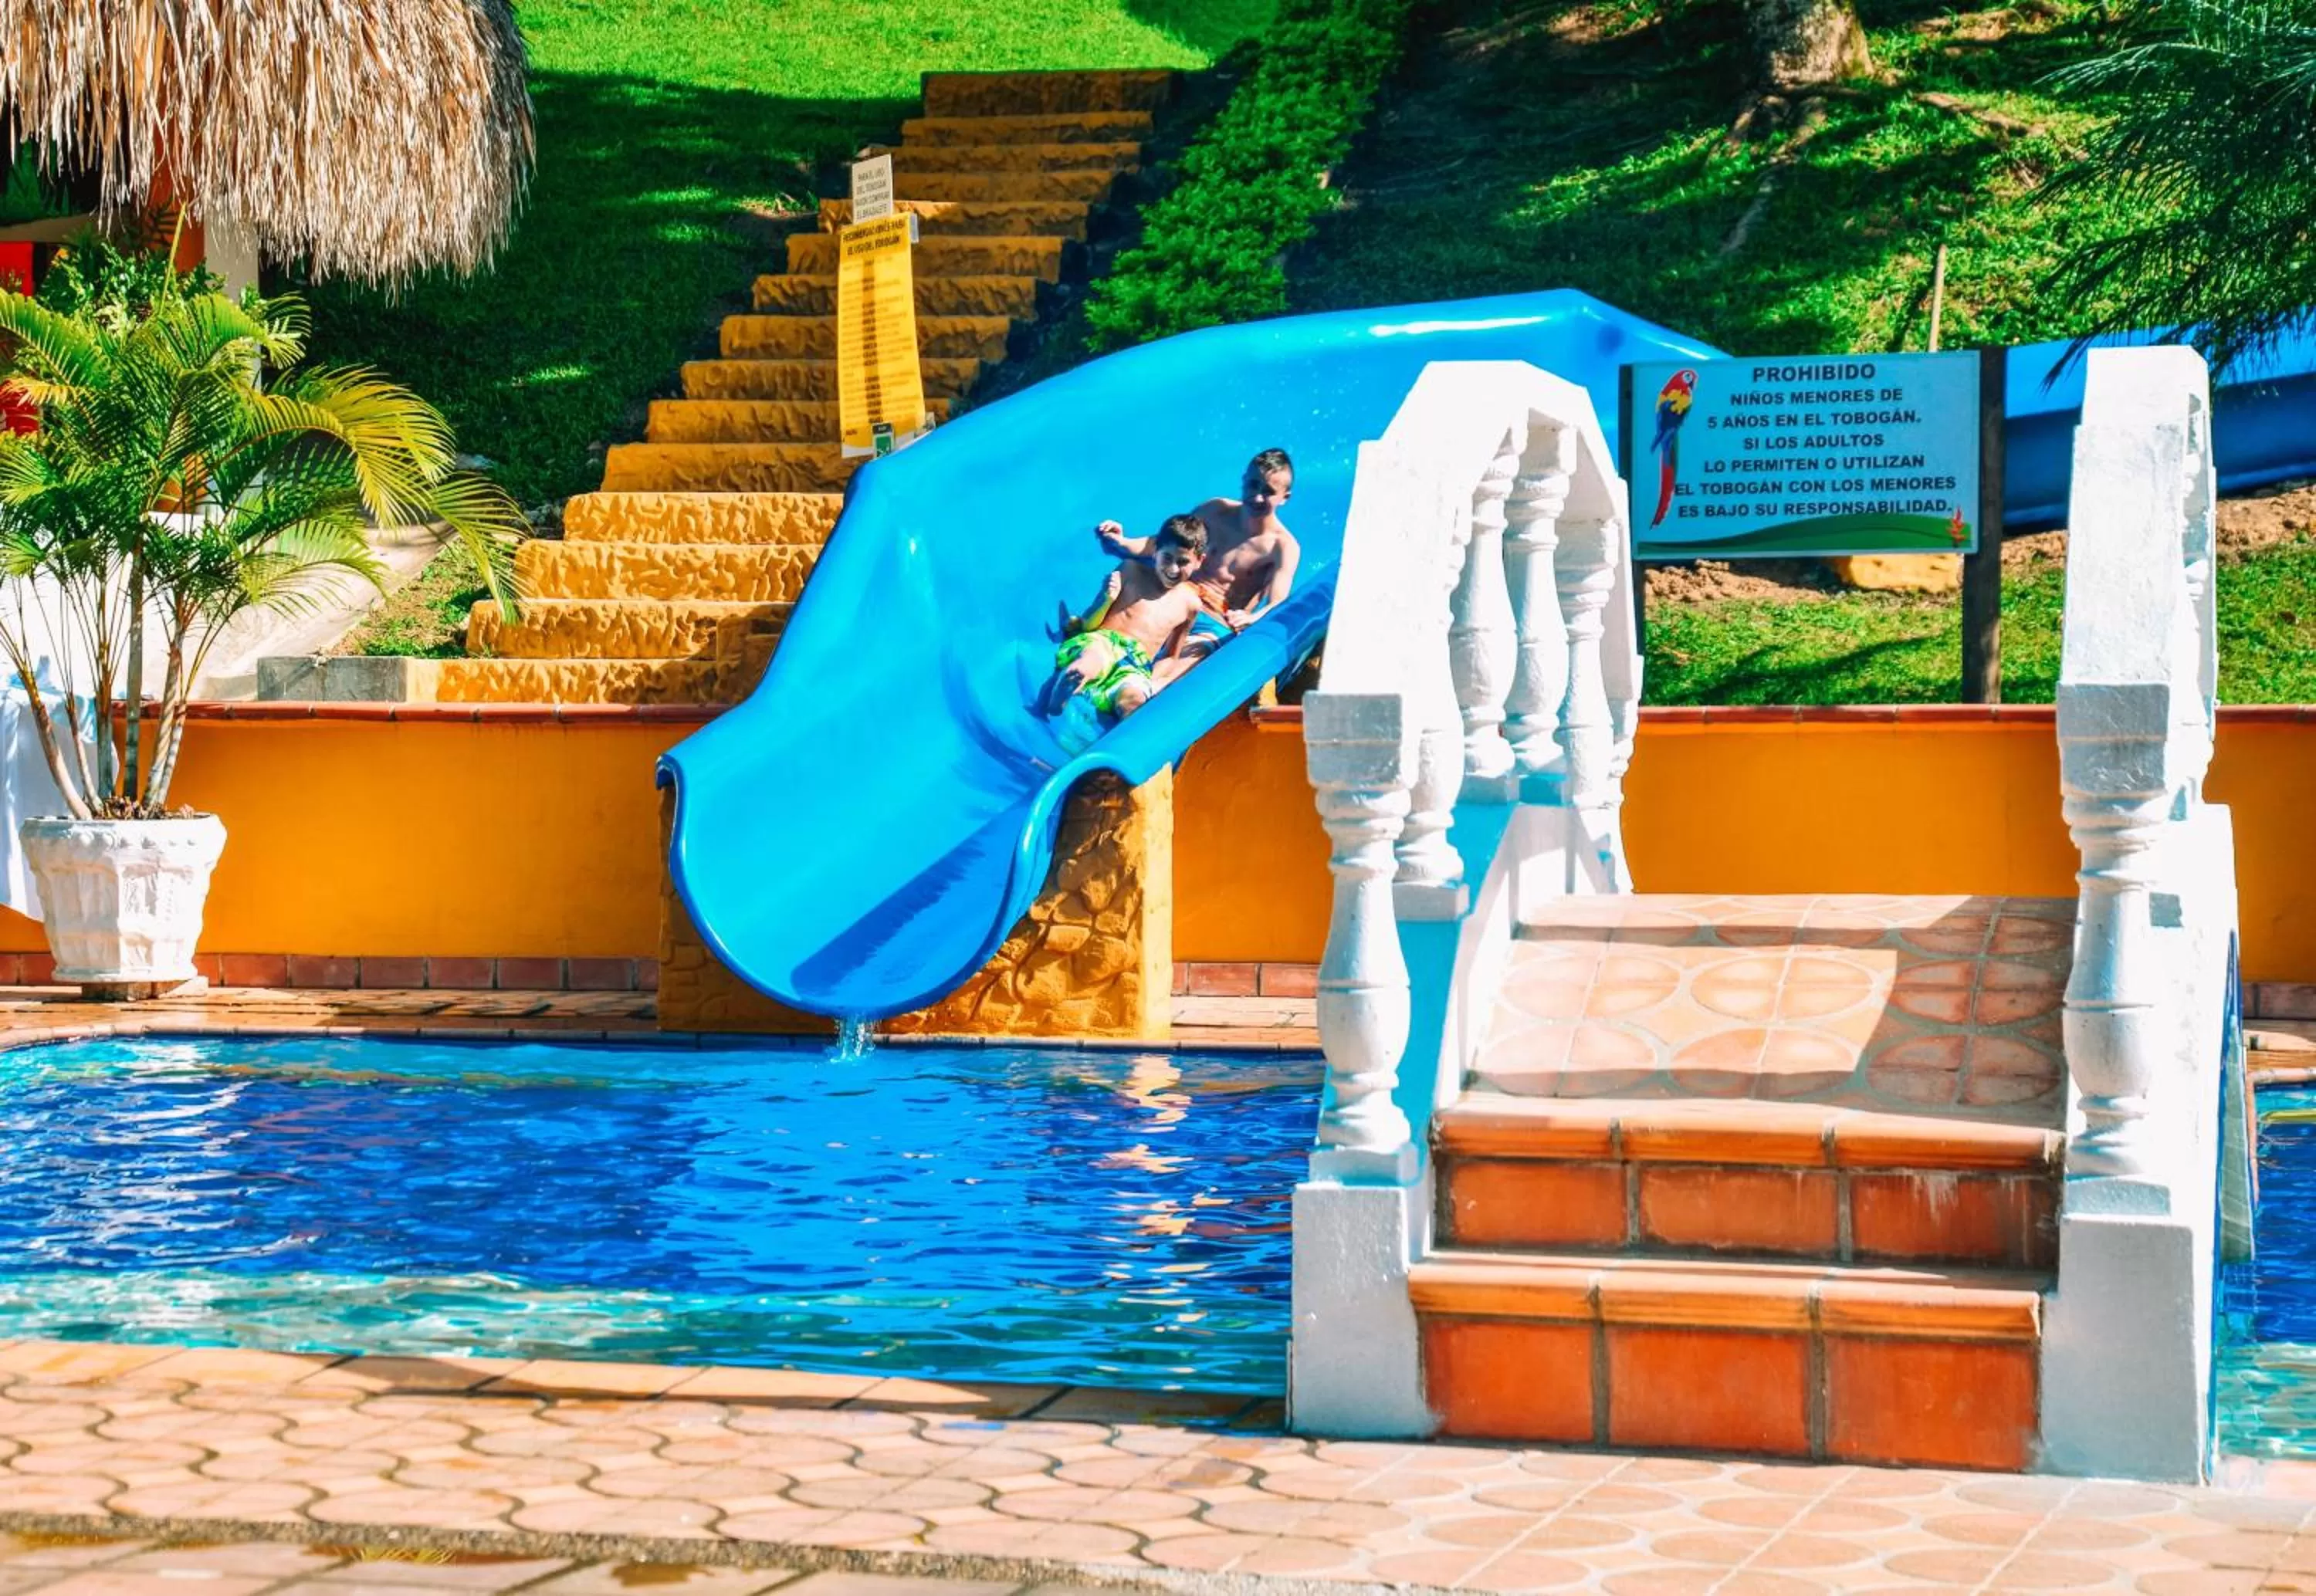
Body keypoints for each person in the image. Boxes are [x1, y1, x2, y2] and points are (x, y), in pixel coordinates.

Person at [1097, 447, 1300, 679]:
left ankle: (1149, 695)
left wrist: (1252, 618)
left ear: (1285, 497)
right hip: (1174, 595)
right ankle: (1089, 641)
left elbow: (1278, 602)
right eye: (1253, 485)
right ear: (1244, 480)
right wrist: (1122, 543)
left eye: (1268, 492)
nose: (1257, 497)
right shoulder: (1216, 511)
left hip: (1213, 620)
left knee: (1184, 661)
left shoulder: (1282, 547)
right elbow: (1165, 544)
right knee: (1131, 570)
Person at [1040, 513, 1211, 742]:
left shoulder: (1190, 605)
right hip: (1102, 641)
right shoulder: (1131, 570)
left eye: (1183, 562)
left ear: (1200, 560)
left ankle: (1130, 739)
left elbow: (1171, 656)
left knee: (1132, 701)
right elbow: (1089, 624)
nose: (1172, 568)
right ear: (1155, 550)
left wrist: (1149, 683)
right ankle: (1060, 697)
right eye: (1167, 558)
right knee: (1089, 662)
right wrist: (1106, 599)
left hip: (1134, 666)